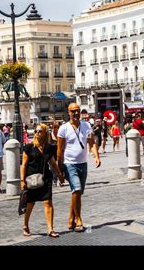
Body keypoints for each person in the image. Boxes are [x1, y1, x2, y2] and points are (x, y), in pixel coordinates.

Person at [57, 102, 101, 232]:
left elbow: (91, 142)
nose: (76, 113)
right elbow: (59, 151)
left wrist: (96, 157)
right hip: (69, 163)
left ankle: (71, 218)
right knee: (76, 190)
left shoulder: (86, 125)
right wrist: (59, 170)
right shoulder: (63, 128)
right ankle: (79, 220)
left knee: (77, 193)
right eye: (73, 111)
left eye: (77, 111)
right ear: (68, 113)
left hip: (83, 163)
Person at [21, 123, 61, 238]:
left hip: (45, 178)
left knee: (48, 202)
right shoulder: (29, 147)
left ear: (45, 133)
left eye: (40, 131)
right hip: (31, 179)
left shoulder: (48, 147)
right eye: (36, 131)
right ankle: (25, 225)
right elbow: (23, 165)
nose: (37, 133)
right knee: (30, 203)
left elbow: (53, 163)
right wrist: (22, 181)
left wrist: (59, 174)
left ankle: (50, 229)